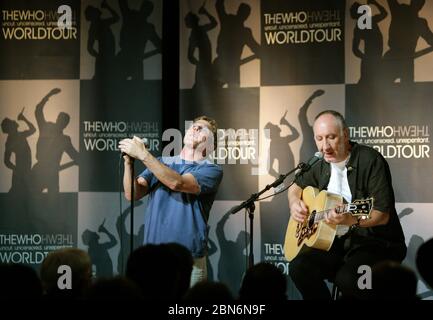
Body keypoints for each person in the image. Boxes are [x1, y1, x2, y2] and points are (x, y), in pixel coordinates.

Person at [288, 110, 406, 300]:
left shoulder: (370, 160)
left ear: (345, 134)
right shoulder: (319, 163)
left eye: (331, 137)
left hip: (375, 243)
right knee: (299, 268)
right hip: (335, 244)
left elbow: (382, 215)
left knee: (350, 279)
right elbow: (295, 186)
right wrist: (294, 202)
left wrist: (351, 220)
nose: (324, 146)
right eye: (319, 138)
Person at [119, 116, 223, 287]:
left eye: (202, 129)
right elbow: (132, 194)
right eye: (194, 126)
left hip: (188, 259)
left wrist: (143, 154)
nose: (195, 129)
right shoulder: (160, 162)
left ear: (210, 144)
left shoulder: (211, 170)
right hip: (153, 256)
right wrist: (129, 163)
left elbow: (178, 183)